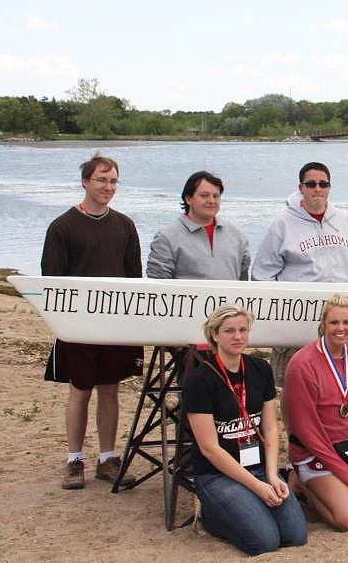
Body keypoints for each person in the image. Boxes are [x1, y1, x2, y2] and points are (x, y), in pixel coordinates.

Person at [41, 154, 143, 490]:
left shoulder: (125, 225)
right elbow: (52, 280)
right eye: (101, 180)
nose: (107, 187)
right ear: (86, 181)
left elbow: (134, 278)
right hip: (78, 326)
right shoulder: (62, 226)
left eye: (113, 181)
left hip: (115, 326)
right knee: (80, 392)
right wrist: (66, 323)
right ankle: (74, 460)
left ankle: (107, 459)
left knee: (110, 391)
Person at [183, 305, 306, 555]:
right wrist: (257, 487)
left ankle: (246, 504)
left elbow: (270, 428)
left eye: (242, 330)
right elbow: (209, 448)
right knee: (264, 541)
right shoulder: (199, 380)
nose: (237, 336)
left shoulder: (260, 369)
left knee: (295, 536)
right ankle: (210, 516)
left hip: (258, 467)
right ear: (215, 335)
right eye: (229, 331)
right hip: (217, 474)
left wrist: (272, 475)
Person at [252, 162, 348, 385]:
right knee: (293, 390)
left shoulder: (343, 220)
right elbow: (262, 275)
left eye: (323, 184)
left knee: (336, 388)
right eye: (311, 184)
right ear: (301, 188)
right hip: (297, 326)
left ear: (329, 187)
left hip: (338, 325)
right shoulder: (282, 224)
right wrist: (281, 314)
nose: (318, 189)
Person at [283, 295, 348, 531]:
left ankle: (330, 486)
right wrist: (344, 472)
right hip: (314, 452)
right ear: (323, 324)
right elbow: (305, 430)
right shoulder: (302, 363)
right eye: (334, 322)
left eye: (347, 322)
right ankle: (300, 483)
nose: (341, 328)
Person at [147, 170, 250, 281]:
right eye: (204, 196)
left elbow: (244, 280)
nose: (211, 201)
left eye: (216, 196)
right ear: (188, 199)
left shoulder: (237, 236)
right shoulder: (166, 238)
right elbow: (157, 284)